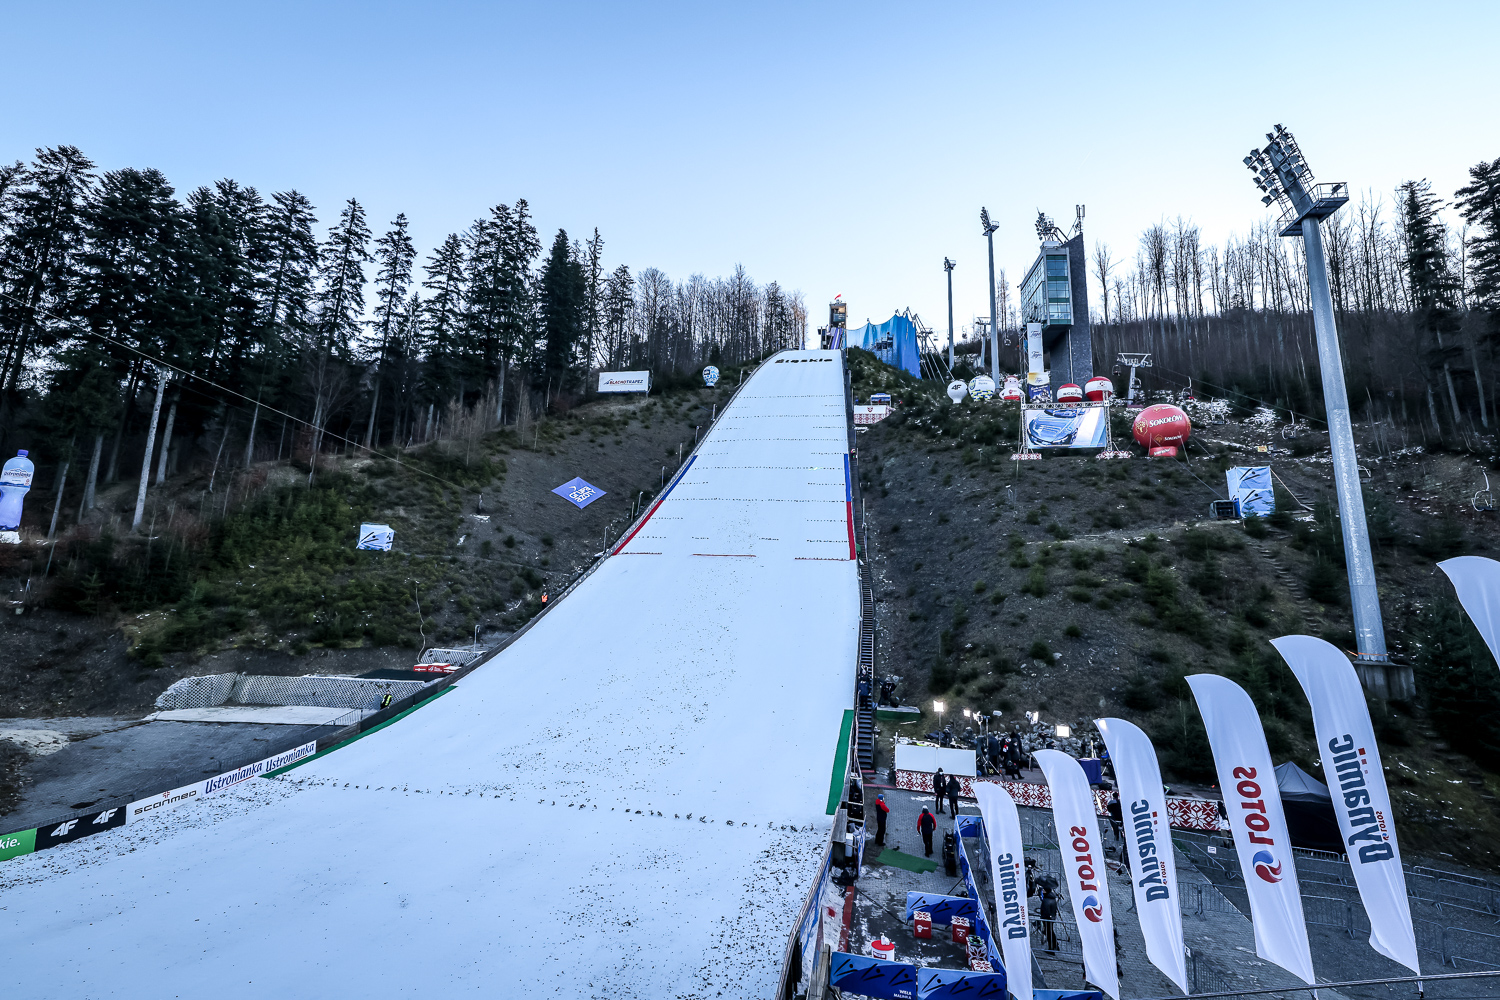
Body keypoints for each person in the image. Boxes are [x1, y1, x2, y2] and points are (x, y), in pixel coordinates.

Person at [1038, 883, 1060, 951]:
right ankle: (1055, 945)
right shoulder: (1052, 898)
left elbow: (1046, 911)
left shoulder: (1046, 900)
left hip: (1047, 919)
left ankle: (1051, 948)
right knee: (1051, 932)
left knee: (1049, 933)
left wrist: (1043, 918)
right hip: (1052, 918)